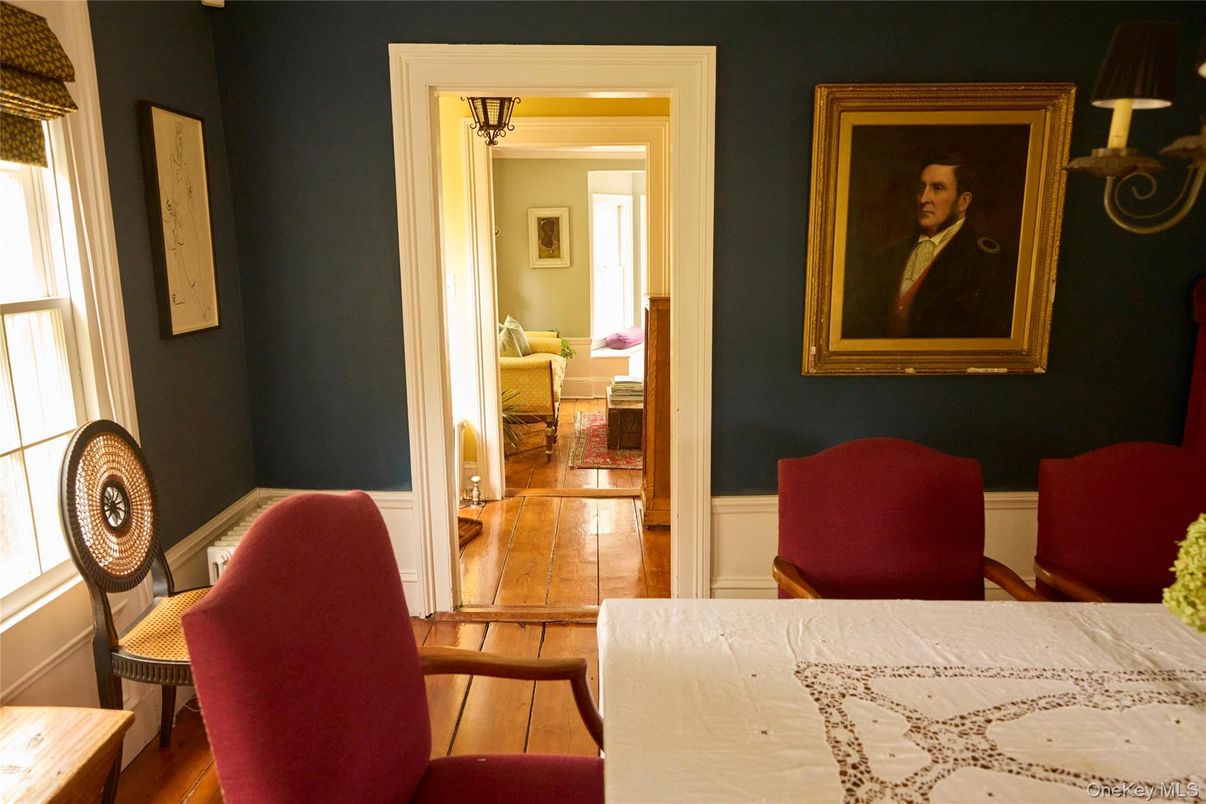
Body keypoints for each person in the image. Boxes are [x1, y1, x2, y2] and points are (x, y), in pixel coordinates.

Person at [842, 154, 1015, 339]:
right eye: (921, 188)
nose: (924, 198)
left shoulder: (988, 262)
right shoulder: (886, 256)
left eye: (937, 188)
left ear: (963, 201)